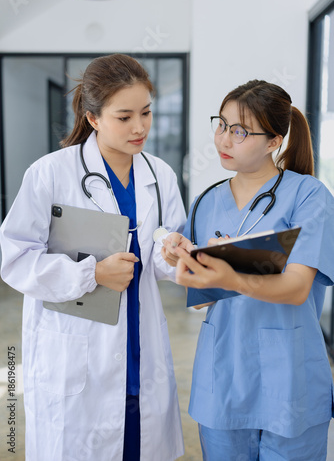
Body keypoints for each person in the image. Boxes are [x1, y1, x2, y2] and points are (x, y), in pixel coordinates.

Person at [0, 54, 186, 461]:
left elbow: (162, 256)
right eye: (124, 117)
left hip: (141, 349)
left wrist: (173, 251)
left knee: (139, 443)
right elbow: (14, 259)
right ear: (94, 117)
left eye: (146, 113)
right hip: (77, 352)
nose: (140, 127)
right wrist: (91, 273)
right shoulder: (49, 173)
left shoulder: (160, 175)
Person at [162, 80, 334, 460]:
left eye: (239, 131)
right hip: (223, 375)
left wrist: (231, 278)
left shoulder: (309, 196)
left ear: (274, 142)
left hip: (289, 379)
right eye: (221, 124)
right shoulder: (206, 201)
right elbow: (200, 293)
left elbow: (296, 288)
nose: (224, 139)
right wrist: (178, 255)